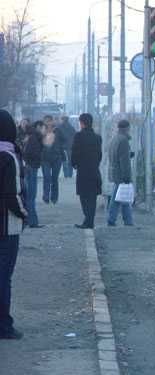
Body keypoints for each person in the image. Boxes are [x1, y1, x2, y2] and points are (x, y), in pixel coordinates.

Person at [0, 109, 27, 340]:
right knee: (3, 277)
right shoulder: (10, 157)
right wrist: (24, 213)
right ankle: (4, 326)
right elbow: (13, 194)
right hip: (7, 226)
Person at [71, 113, 102, 229]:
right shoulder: (97, 137)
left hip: (83, 171)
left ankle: (87, 220)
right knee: (92, 197)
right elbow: (100, 155)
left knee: (83, 196)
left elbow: (75, 152)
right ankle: (90, 221)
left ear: (82, 123)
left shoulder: (79, 136)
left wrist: (74, 164)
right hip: (94, 170)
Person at [107, 119, 133, 227]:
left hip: (114, 171)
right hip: (121, 174)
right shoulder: (123, 140)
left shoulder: (114, 138)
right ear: (127, 128)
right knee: (120, 198)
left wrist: (128, 154)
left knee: (120, 197)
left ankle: (126, 220)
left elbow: (114, 155)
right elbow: (124, 161)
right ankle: (115, 219)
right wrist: (127, 176)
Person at [23, 121, 44, 228]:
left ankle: (31, 220)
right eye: (43, 128)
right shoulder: (34, 138)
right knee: (31, 195)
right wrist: (36, 162)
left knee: (30, 195)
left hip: (30, 166)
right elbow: (28, 153)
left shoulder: (31, 137)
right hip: (31, 167)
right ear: (38, 127)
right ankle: (32, 221)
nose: (44, 130)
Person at [41, 115, 66, 204]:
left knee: (54, 179)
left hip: (56, 158)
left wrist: (59, 148)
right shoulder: (42, 132)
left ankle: (54, 197)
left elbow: (64, 141)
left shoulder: (58, 130)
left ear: (52, 121)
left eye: (49, 121)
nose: (47, 123)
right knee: (47, 177)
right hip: (45, 158)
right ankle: (46, 196)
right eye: (45, 121)